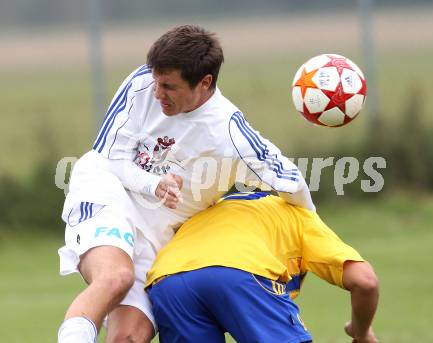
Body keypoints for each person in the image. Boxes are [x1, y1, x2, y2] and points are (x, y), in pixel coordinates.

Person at [57, 25, 315, 343]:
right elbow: (109, 157)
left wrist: (314, 244)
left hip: (158, 240)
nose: (157, 93)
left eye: (169, 86)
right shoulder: (141, 82)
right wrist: (153, 184)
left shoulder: (229, 132)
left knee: (130, 336)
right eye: (156, 81)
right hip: (108, 192)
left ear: (205, 82)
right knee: (115, 278)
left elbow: (292, 182)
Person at [147, 192, 379, 343]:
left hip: (167, 279)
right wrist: (361, 332)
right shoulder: (298, 213)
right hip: (238, 270)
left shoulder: (212, 208)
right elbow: (365, 281)